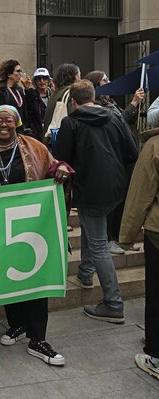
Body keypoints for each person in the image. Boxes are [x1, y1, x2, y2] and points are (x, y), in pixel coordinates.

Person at [0, 105, 72, 366]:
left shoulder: (34, 147)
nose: (3, 125)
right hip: (0, 231)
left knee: (36, 278)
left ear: (16, 122)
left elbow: (53, 166)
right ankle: (17, 325)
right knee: (9, 279)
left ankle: (38, 339)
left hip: (31, 227)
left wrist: (61, 169)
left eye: (8, 120)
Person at [54, 80, 138, 323]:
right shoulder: (114, 117)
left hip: (90, 189)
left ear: (73, 102)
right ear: (94, 97)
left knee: (99, 243)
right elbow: (132, 152)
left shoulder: (71, 123)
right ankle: (85, 273)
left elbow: (61, 159)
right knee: (94, 231)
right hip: (115, 188)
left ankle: (113, 303)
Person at [85, 70, 144, 255]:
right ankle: (110, 238)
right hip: (114, 159)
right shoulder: (98, 107)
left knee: (125, 200)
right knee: (114, 203)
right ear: (96, 85)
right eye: (104, 80)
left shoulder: (110, 103)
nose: (109, 82)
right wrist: (133, 103)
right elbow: (120, 123)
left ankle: (121, 237)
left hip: (125, 158)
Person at [119, 115, 159, 380]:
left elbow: (140, 194)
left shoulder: (154, 145)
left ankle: (155, 355)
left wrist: (126, 236)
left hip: (158, 232)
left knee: (156, 293)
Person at [0, 59, 33, 136]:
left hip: (21, 131)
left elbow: (29, 109)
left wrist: (28, 89)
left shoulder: (19, 90)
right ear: (9, 74)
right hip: (5, 131)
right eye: (18, 71)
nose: (21, 74)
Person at [43, 63, 81, 140]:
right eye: (79, 75)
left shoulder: (55, 94)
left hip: (50, 140)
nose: (80, 78)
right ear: (75, 76)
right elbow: (74, 119)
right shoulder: (71, 93)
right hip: (62, 140)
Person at [25, 67, 53, 141]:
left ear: (49, 80)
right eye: (39, 79)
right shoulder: (31, 96)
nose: (42, 81)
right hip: (37, 134)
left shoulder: (53, 95)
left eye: (44, 78)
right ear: (35, 82)